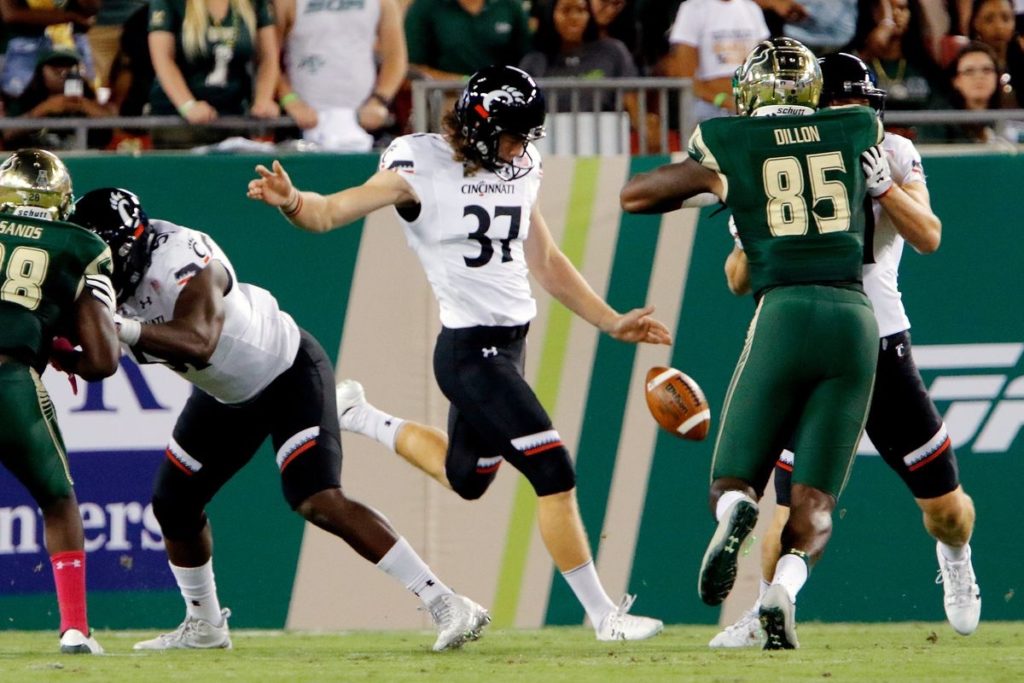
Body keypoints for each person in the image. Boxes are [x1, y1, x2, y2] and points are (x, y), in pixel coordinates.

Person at [247, 64, 671, 642]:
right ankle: (604, 617)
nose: (521, 148)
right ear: (478, 125)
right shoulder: (417, 166)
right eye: (513, 134)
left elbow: (543, 259)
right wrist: (293, 198)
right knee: (553, 469)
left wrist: (610, 320)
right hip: (472, 353)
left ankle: (359, 416)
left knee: (466, 478)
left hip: (510, 345)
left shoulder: (522, 165)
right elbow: (329, 213)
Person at [69, 188, 490, 652]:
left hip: (286, 371)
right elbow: (96, 362)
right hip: (227, 394)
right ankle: (205, 625)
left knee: (317, 499)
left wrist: (119, 327)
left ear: (132, 242)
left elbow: (199, 340)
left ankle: (446, 601)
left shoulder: (182, 254)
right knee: (173, 502)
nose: (102, 268)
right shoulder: (93, 276)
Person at [709, 52, 981, 649]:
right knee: (785, 504)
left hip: (879, 340)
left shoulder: (894, 153)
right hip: (803, 334)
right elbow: (735, 277)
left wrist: (882, 186)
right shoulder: (777, 156)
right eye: (840, 108)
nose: (855, 119)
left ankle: (955, 557)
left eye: (863, 109)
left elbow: (930, 235)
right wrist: (762, 232)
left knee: (947, 510)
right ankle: (766, 611)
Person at [621, 37, 884, 649]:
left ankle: (734, 513)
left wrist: (714, 185)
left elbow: (636, 196)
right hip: (854, 317)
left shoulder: (729, 140)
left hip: (785, 310)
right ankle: (783, 593)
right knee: (814, 498)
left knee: (733, 480)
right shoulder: (856, 125)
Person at [0, 149, 121, 654]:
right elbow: (103, 360)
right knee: (58, 501)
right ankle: (74, 628)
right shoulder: (81, 244)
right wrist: (58, 352)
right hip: (8, 378)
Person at [274, 0, 407, 151]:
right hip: (299, 121)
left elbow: (395, 57)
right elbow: (268, 59)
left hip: (365, 117)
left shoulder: (383, 2)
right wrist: (290, 101)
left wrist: (379, 100)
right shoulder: (286, 3)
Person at [147, 0, 280, 148]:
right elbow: (163, 58)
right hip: (178, 121)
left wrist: (263, 99)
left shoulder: (254, 3)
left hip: (234, 116)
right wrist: (188, 105)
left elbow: (268, 57)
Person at [665, 0, 771, 120]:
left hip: (751, 108)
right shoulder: (693, 8)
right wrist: (723, 101)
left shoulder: (751, 8)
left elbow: (764, 62)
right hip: (709, 108)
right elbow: (685, 74)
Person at [3, 45, 115, 150]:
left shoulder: (89, 100)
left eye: (69, 65)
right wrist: (42, 110)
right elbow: (7, 134)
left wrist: (86, 107)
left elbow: (117, 130)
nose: (62, 71)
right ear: (41, 70)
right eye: (55, 65)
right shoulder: (25, 101)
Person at [404, 0, 531, 81]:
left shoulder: (511, 6)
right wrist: (465, 82)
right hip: (446, 99)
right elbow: (412, 69)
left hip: (504, 99)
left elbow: (528, 60)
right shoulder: (424, 7)